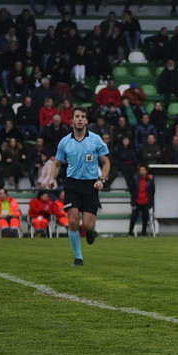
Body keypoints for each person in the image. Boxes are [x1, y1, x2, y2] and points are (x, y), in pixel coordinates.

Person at [47, 106, 111, 266]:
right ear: (72, 121)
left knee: (88, 225)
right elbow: (57, 163)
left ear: (86, 121)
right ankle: (78, 257)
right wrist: (51, 178)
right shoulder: (65, 142)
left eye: (83, 116)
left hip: (91, 185)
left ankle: (90, 232)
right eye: (77, 116)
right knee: (74, 222)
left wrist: (101, 179)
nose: (80, 119)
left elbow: (106, 162)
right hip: (72, 184)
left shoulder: (96, 139)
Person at [127, 164, 154, 237]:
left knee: (145, 218)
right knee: (133, 217)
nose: (142, 172)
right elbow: (131, 189)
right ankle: (130, 232)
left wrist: (150, 201)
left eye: (143, 170)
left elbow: (152, 191)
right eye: (140, 170)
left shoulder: (150, 180)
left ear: (146, 171)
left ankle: (143, 233)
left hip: (146, 201)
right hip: (137, 201)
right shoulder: (135, 179)